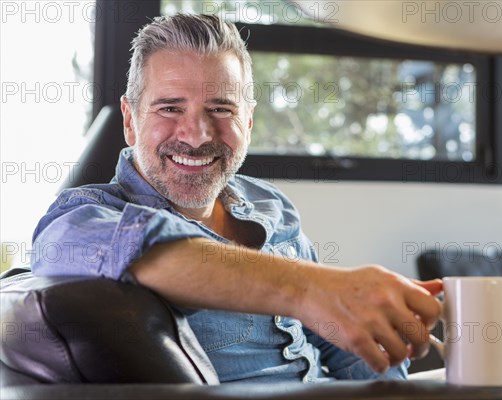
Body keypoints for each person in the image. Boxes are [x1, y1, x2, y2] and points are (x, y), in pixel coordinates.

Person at [31, 13, 442, 383]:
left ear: (248, 120)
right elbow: (85, 249)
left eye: (221, 109)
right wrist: (311, 290)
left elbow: (341, 348)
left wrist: (393, 353)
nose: (196, 135)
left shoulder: (270, 205)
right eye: (170, 108)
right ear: (130, 120)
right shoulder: (84, 216)